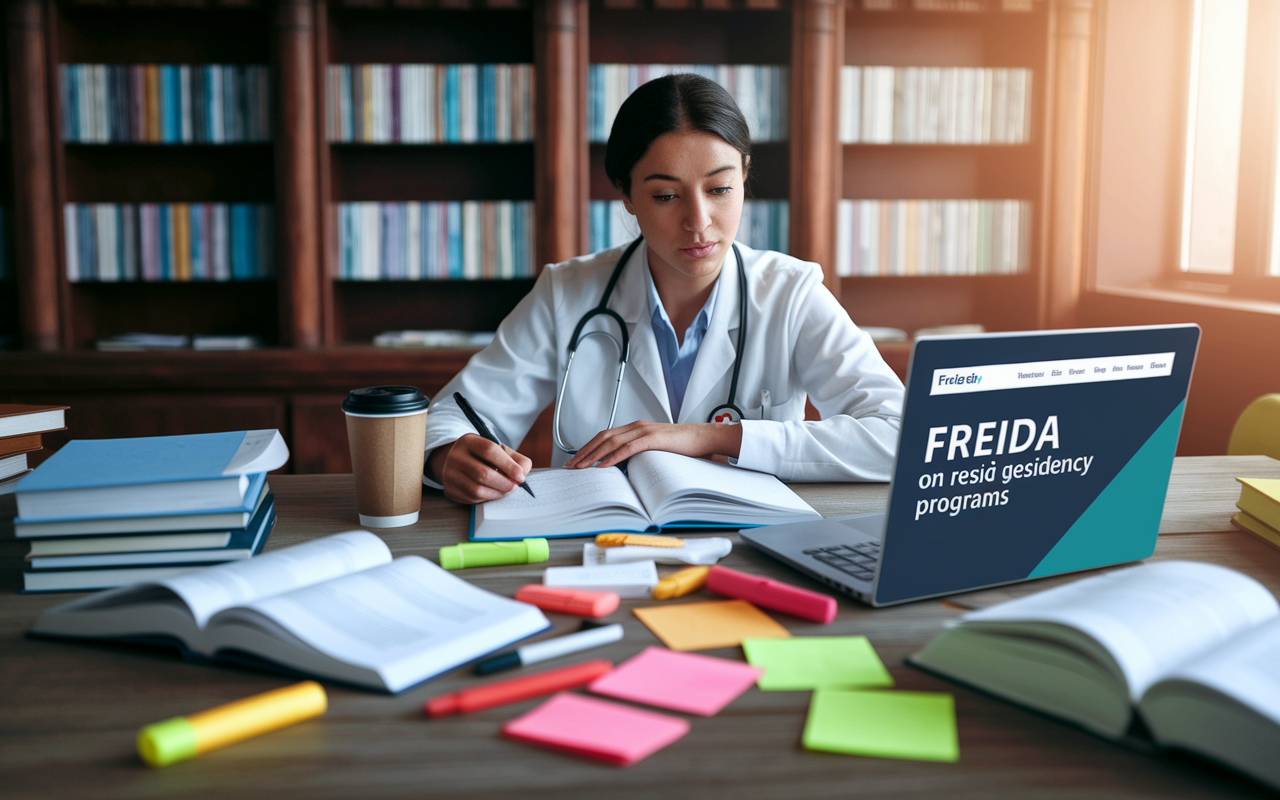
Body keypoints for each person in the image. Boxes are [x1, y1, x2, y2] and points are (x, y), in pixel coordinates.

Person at [423, 74, 904, 504]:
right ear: (627, 195)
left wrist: (708, 438)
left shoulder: (791, 293)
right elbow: (452, 416)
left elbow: (901, 434)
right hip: (601, 549)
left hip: (750, 551)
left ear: (744, 176)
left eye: (719, 189)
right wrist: (447, 457)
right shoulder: (567, 292)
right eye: (666, 196)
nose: (698, 222)